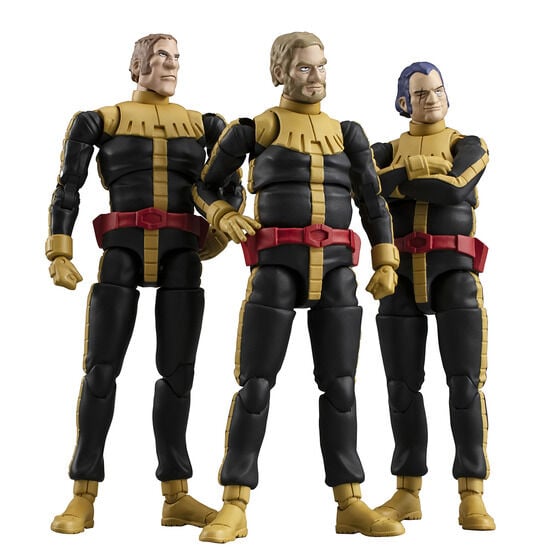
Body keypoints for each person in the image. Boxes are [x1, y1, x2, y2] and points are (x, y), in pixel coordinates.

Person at [192, 31, 403, 543]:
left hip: (337, 269)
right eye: (305, 67)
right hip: (276, 266)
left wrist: (385, 259)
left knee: (342, 386)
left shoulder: (348, 134)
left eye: (321, 66)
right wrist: (222, 213)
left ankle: (349, 501)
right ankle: (234, 503)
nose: (316, 77)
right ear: (280, 73)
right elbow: (204, 183)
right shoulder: (255, 129)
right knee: (255, 384)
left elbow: (373, 201)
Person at [46, 33, 242, 534]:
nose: (171, 65)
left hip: (181, 256)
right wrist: (59, 250)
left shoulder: (205, 125)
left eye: (176, 58)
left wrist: (222, 229)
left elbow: (228, 185)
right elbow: (68, 186)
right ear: (137, 66)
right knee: (100, 371)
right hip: (122, 252)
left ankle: (176, 495)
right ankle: (83, 494)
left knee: (178, 376)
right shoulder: (100, 120)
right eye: (160, 57)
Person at [370, 61, 495, 530]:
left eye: (438, 90)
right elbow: (368, 188)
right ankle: (407, 491)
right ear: (404, 101)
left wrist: (399, 180)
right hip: (399, 273)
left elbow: (456, 187)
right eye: (421, 94)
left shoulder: (469, 145)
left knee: (464, 384)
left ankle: (471, 492)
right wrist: (417, 171)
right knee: (401, 386)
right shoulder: (382, 149)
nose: (432, 100)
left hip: (454, 272)